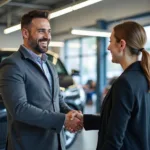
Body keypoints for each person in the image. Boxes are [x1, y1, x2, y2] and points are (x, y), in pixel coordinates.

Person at [0, 10, 82, 150]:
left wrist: (71, 114)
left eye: (49, 31)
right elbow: (20, 109)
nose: (47, 36)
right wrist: (63, 120)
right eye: (41, 31)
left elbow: (57, 99)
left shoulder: (49, 65)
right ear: (25, 33)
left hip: (56, 143)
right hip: (29, 145)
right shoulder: (13, 65)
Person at [74, 21, 150, 150]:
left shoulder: (125, 83)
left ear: (122, 44)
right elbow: (124, 121)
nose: (108, 47)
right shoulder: (143, 77)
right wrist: (85, 120)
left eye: (110, 41)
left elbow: (114, 138)